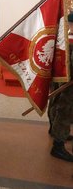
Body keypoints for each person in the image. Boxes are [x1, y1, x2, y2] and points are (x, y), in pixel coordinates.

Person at [49, 13, 73, 162]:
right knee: (65, 110)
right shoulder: (68, 38)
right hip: (67, 82)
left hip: (60, 77)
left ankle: (54, 129)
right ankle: (58, 145)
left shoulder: (62, 36)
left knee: (56, 104)